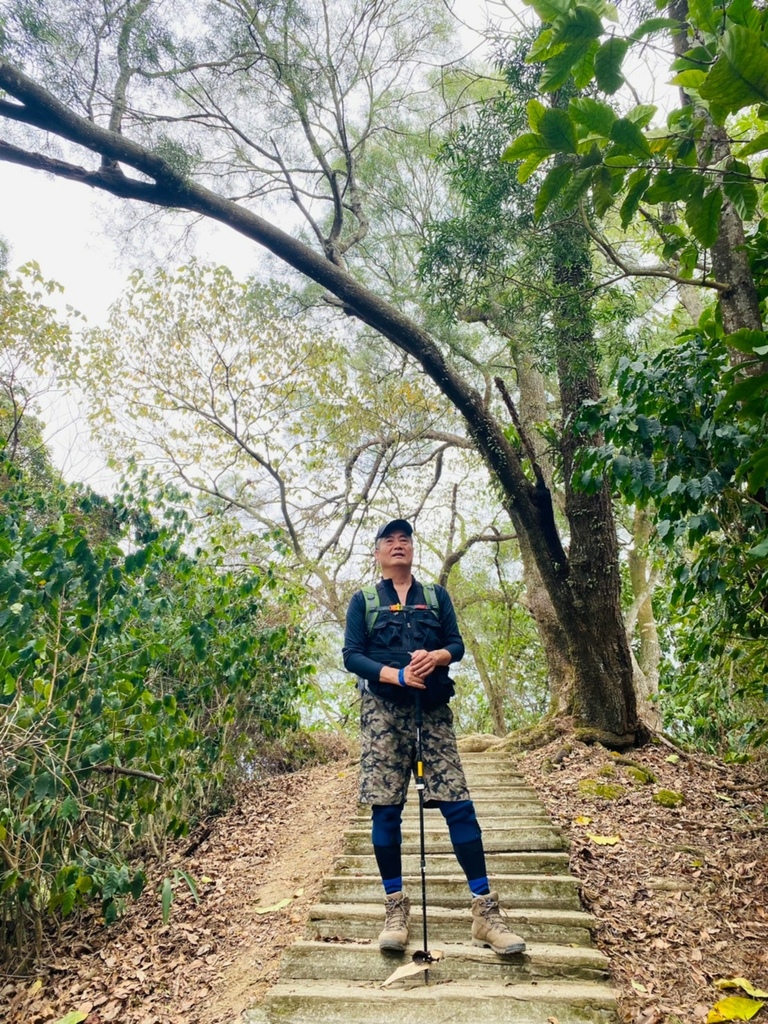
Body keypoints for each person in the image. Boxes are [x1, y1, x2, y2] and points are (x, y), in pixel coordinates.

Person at [342, 517, 526, 956]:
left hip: (434, 714)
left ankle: (485, 912)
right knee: (385, 811)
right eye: (389, 540)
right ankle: (394, 908)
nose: (398, 544)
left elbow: (456, 645)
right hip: (383, 716)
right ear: (378, 553)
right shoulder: (363, 601)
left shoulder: (435, 597)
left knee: (458, 805)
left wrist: (438, 655)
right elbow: (352, 656)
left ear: (412, 549)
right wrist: (397, 674)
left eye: (405, 539)